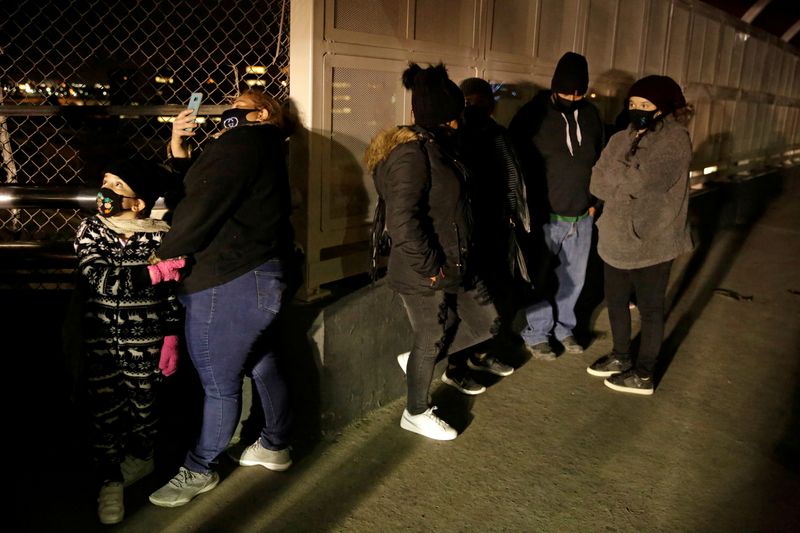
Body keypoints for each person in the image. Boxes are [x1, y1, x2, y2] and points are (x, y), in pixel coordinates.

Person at [148, 88, 299, 507]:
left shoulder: (243, 143)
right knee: (263, 362)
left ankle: (199, 468)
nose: (227, 108)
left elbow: (202, 206)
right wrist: (180, 148)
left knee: (218, 383)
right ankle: (275, 443)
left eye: (237, 103)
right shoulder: (262, 148)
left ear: (262, 112)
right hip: (262, 275)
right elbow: (207, 190)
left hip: (228, 279)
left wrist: (165, 249)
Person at [364, 63, 502, 441]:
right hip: (426, 268)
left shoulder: (439, 146)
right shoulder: (411, 154)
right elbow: (403, 220)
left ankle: (418, 364)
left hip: (456, 259)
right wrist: (431, 269)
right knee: (431, 336)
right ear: (449, 117)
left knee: (487, 323)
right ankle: (416, 410)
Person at [74, 158, 184, 525]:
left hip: (147, 338)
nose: (106, 191)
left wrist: (170, 334)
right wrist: (154, 271)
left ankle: (141, 457)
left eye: (117, 186)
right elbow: (99, 279)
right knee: (104, 409)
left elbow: (170, 294)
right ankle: (110, 478)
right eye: (105, 181)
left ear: (138, 203)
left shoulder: (159, 234)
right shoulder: (91, 230)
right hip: (101, 340)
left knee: (144, 402)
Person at [586, 75, 693, 396]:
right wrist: (626, 172)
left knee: (650, 308)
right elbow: (597, 185)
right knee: (616, 301)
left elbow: (646, 182)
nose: (637, 110)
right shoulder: (620, 138)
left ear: (663, 108)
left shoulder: (675, 140)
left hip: (653, 238)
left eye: (645, 105)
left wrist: (618, 172)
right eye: (633, 104)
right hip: (615, 236)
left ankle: (644, 374)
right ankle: (621, 357)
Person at [508, 51, 604, 359]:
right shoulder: (531, 115)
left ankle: (564, 327)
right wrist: (525, 209)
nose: (573, 97)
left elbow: (601, 160)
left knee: (574, 279)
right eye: (567, 91)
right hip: (544, 215)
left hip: (581, 215)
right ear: (554, 86)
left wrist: (595, 201)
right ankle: (536, 332)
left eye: (580, 92)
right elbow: (514, 163)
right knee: (539, 278)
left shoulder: (591, 115)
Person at [457, 77, 531, 365]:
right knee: (475, 294)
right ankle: (467, 355)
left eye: (480, 102)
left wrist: (513, 216)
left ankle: (485, 348)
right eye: (470, 102)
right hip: (472, 228)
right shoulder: (458, 135)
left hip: (493, 226)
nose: (475, 107)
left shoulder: (496, 135)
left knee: (497, 290)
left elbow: (513, 179)